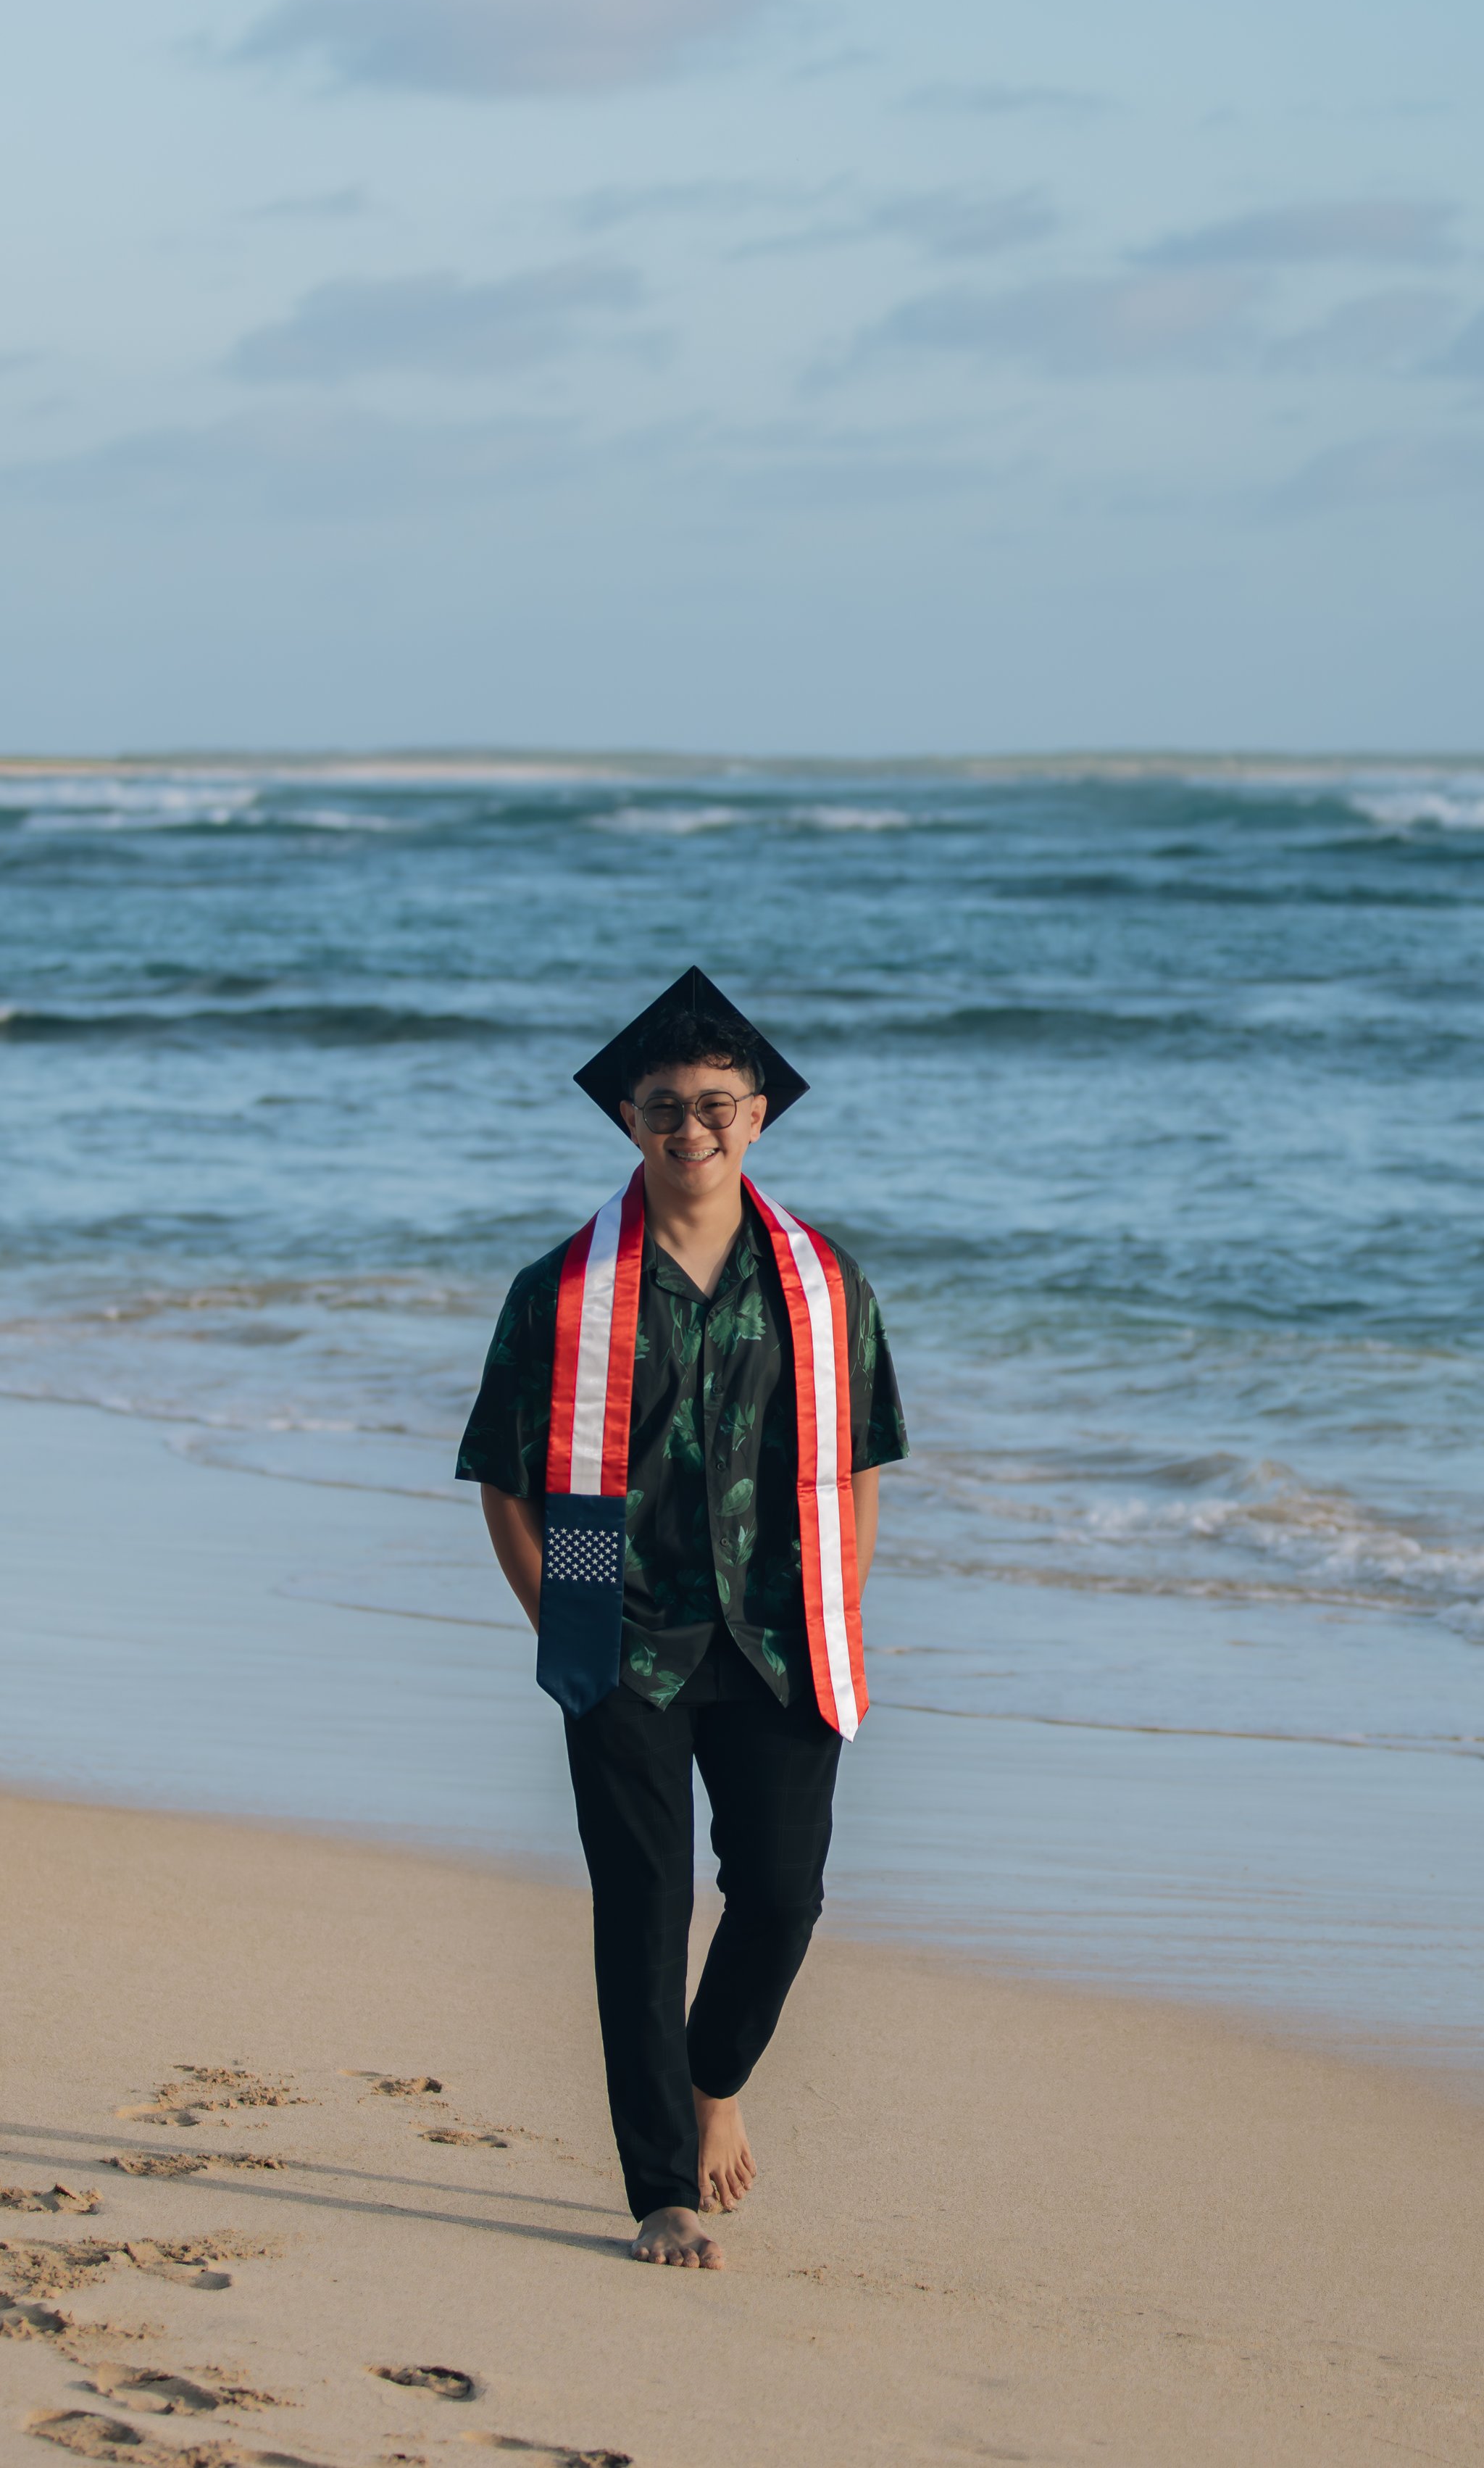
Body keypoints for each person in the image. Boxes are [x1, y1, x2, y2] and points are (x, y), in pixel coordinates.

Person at [455, 968, 907, 2270]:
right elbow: (502, 1473)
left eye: (717, 1104)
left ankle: (717, 2078)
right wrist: (566, 1619)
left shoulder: (827, 1284)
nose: (691, 1127)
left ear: (758, 1115)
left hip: (782, 1630)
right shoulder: (561, 1290)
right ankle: (660, 2184)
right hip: (623, 1624)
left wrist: (843, 1597)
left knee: (783, 1896)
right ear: (630, 1121)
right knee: (642, 1905)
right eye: (665, 1106)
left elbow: (863, 1459)